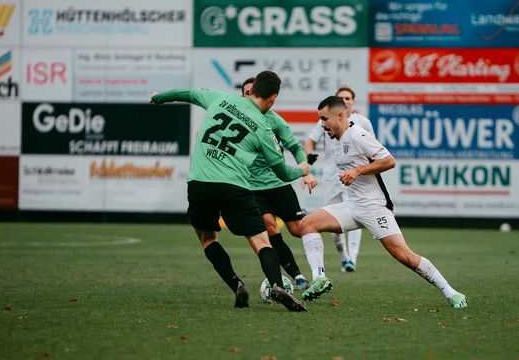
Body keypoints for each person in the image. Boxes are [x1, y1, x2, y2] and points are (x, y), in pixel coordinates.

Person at [150, 71, 308, 312]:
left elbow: (188, 94)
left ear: (251, 88)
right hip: (236, 186)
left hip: (200, 183)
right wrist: (302, 169)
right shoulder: (263, 129)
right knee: (261, 240)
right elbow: (284, 174)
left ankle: (236, 285)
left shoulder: (220, 99)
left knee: (208, 239)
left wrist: (160, 97)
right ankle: (278, 285)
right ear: (273, 98)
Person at [297, 96, 467, 308]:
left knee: (404, 255)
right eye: (320, 119)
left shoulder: (358, 135)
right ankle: (319, 278)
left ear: (340, 116)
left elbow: (389, 161)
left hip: (374, 207)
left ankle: (450, 292)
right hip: (351, 206)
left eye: (324, 119)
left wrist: (357, 171)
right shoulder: (333, 138)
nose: (321, 124)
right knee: (307, 224)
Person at [240, 77, 316, 290]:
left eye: (252, 91)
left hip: (279, 184)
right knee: (271, 228)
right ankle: (298, 276)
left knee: (296, 228)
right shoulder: (237, 119)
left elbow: (294, 146)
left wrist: (304, 171)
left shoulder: (275, 121)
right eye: (246, 92)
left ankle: (319, 261)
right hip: (255, 189)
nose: (250, 95)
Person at [303, 86, 374, 273]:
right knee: (332, 220)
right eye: (341, 97)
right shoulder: (325, 121)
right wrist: (309, 155)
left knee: (357, 212)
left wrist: (365, 169)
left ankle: (352, 258)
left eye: (348, 97)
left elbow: (372, 148)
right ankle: (343, 255)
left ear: (352, 101)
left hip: (354, 176)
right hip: (331, 177)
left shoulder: (362, 123)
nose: (345, 100)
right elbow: (310, 141)